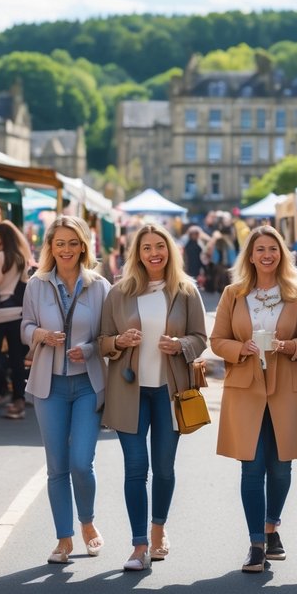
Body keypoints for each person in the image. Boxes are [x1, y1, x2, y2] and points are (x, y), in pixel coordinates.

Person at [99, 224, 208, 572]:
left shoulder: (186, 291)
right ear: (137, 253)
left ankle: (158, 530)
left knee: (163, 468)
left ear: (169, 250)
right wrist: (118, 342)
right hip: (129, 391)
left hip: (169, 392)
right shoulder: (119, 292)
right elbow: (102, 340)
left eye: (159, 246)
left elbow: (200, 337)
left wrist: (180, 346)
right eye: (146, 248)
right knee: (135, 468)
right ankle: (138, 545)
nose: (153, 253)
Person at [211, 225, 297, 573]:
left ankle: (273, 525)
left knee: (282, 466)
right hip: (245, 388)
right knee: (252, 466)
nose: (267, 255)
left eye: (273, 248)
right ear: (250, 255)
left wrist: (291, 347)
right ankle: (257, 542)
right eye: (260, 249)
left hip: (286, 385)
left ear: (282, 253)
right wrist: (240, 348)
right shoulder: (233, 293)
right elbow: (217, 341)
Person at [22, 215, 110, 565]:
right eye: (60, 243)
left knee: (80, 462)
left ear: (84, 246)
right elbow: (25, 327)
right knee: (56, 466)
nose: (67, 249)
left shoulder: (100, 286)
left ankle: (87, 522)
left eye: (73, 243)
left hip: (88, 384)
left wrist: (88, 349)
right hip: (49, 385)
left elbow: (108, 337)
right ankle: (64, 538)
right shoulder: (36, 284)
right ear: (50, 248)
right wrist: (40, 335)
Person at [0, 221, 33, 419]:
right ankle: (18, 397)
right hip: (17, 312)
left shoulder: (0, 257)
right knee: (16, 358)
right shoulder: (21, 258)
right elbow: (24, 281)